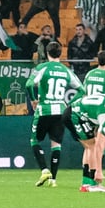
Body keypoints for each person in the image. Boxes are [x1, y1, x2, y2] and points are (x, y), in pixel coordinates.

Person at [26, 41, 83, 188]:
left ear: (47, 53)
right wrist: (69, 104)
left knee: (34, 141)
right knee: (56, 144)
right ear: (60, 54)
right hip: (60, 111)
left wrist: (33, 100)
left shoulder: (42, 68)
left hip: (44, 109)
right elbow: (82, 90)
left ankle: (45, 170)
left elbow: (29, 84)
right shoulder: (66, 70)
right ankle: (53, 180)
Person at [81, 51, 105, 180]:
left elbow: (84, 93)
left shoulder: (89, 74)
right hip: (101, 112)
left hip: (88, 110)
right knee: (100, 143)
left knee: (89, 144)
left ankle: (88, 173)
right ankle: (97, 171)